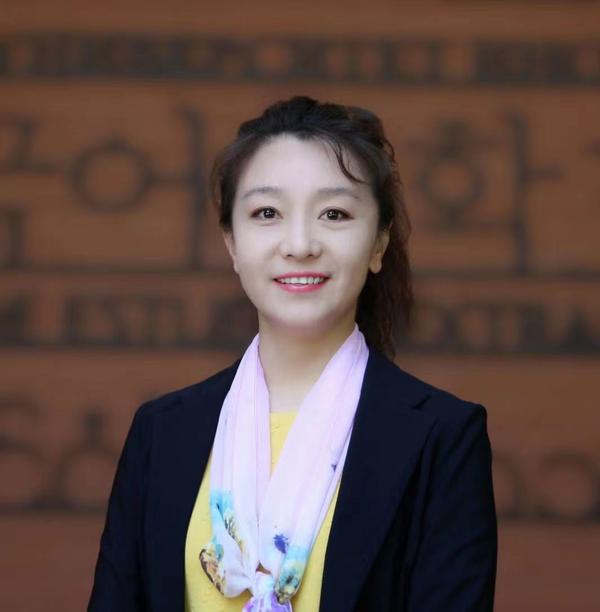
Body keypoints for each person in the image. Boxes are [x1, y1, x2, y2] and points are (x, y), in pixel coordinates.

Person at [88, 95, 497, 612]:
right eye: (267, 213)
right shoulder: (163, 431)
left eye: (334, 213)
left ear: (378, 243)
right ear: (232, 243)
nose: (300, 244)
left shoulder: (442, 437)